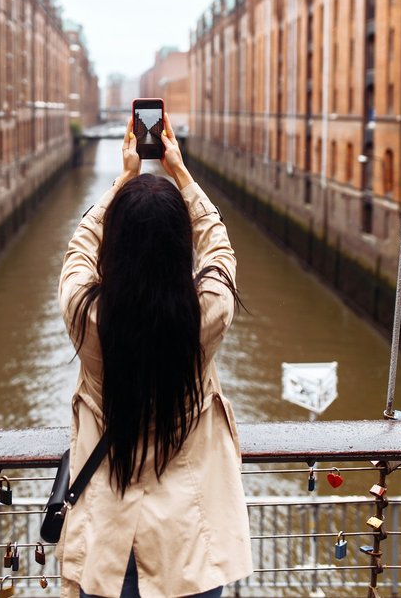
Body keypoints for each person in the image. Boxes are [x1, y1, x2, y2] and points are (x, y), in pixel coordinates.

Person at [56, 113, 253, 598]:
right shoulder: (206, 314)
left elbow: (78, 250)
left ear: (115, 246)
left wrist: (122, 181)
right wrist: (181, 173)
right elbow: (219, 249)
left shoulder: (86, 314)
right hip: (187, 548)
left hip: (107, 541)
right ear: (180, 247)